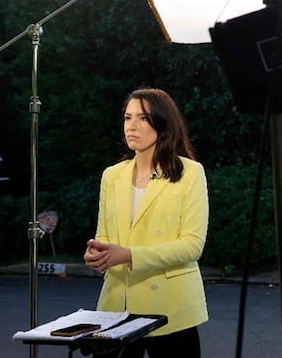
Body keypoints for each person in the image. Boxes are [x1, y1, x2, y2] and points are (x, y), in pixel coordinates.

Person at [83, 87, 209, 357]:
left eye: (142, 118)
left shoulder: (190, 173)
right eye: (128, 118)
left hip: (171, 308)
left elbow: (192, 246)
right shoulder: (112, 175)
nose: (132, 126)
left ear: (163, 123)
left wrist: (128, 255)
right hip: (116, 305)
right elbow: (104, 236)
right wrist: (98, 254)